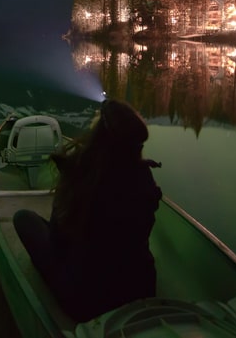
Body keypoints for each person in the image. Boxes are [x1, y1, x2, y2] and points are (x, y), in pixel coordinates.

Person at [13, 98, 162, 322]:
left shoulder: (81, 176)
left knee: (23, 219)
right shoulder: (144, 177)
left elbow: (57, 245)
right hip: (140, 292)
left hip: (86, 302)